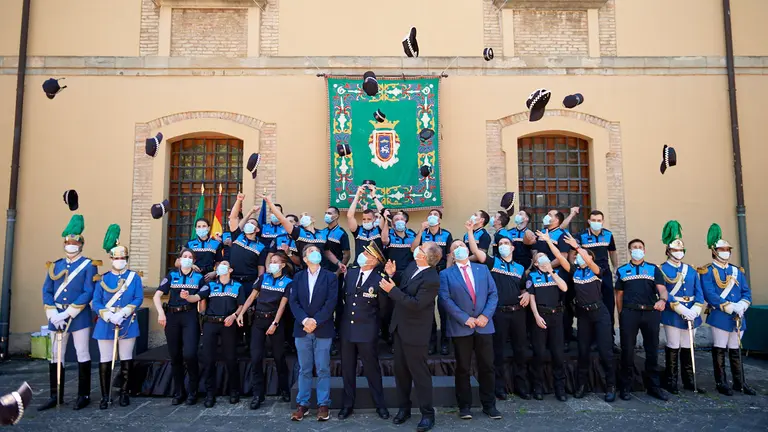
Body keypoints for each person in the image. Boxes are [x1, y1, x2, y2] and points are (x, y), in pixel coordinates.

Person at [378, 242, 442, 432]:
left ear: (425, 256)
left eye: (421, 247)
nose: (417, 247)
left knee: (419, 374)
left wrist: (392, 290)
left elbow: (415, 303)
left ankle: (427, 414)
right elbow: (406, 286)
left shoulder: (432, 278)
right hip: (400, 328)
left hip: (415, 332)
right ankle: (403, 409)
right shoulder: (414, 266)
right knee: (401, 373)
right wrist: (393, 275)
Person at [465, 221, 531, 400]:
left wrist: (527, 294)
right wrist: (470, 232)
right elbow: (477, 252)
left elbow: (524, 288)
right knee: (498, 352)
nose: (503, 246)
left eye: (506, 244)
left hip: (518, 313)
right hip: (499, 313)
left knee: (520, 350)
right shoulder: (493, 263)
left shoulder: (520, 268)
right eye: (500, 244)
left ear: (513, 248)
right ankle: (499, 387)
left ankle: (522, 386)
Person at [40, 214, 99, 411]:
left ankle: (84, 395)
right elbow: (47, 290)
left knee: (82, 352)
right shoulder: (54, 265)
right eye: (68, 242)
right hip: (56, 316)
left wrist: (68, 313)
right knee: (56, 354)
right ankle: (55, 395)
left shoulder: (88, 265)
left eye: (75, 242)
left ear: (81, 245)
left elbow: (88, 291)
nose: (71, 245)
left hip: (78, 316)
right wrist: (52, 314)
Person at [439, 238, 501, 420]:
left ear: (468, 250)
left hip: (484, 325)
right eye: (455, 248)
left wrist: (484, 316)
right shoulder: (446, 274)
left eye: (462, 246)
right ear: (451, 255)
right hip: (462, 327)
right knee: (463, 368)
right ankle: (464, 407)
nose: (459, 249)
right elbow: (445, 299)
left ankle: (489, 405)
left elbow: (493, 294)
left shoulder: (482, 269)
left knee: (487, 366)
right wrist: (465, 318)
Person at [700, 224, 755, 396]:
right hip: (720, 315)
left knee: (735, 349)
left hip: (738, 315)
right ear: (714, 251)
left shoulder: (736, 271)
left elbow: (746, 291)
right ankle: (721, 382)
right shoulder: (708, 270)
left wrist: (742, 305)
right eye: (722, 249)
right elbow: (709, 293)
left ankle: (740, 382)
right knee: (720, 348)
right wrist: (729, 306)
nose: (726, 252)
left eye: (727, 249)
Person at [560, 234, 616, 402]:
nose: (579, 258)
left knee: (605, 352)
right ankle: (581, 385)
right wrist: (549, 242)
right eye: (577, 256)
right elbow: (559, 259)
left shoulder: (597, 271)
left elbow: (590, 261)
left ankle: (611, 386)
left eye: (583, 255)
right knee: (583, 352)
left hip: (600, 314)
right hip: (583, 315)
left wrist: (578, 247)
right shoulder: (575, 272)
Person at [93, 224, 144, 409]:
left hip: (127, 321)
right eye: (117, 258)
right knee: (105, 359)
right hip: (106, 322)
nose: (120, 260)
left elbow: (138, 297)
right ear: (111, 259)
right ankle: (105, 395)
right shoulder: (103, 278)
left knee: (126, 358)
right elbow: (96, 302)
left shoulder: (134, 277)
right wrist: (108, 315)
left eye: (123, 258)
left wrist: (124, 312)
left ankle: (124, 392)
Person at [337, 242, 390, 420]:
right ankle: (347, 405)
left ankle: (380, 405)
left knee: (372, 368)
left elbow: (383, 308)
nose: (363, 256)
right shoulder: (350, 274)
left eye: (367, 254)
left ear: (374, 260)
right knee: (347, 369)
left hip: (367, 330)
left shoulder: (379, 278)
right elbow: (345, 299)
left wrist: (373, 325)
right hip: (347, 329)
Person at [237, 252, 294, 409]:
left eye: (275, 261)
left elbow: (283, 305)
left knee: (279, 357)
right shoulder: (263, 278)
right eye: (271, 261)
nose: (272, 264)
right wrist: (241, 313)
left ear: (282, 265)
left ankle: (284, 389)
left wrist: (275, 323)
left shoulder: (288, 282)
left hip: (275, 321)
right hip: (258, 321)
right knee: (255, 358)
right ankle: (258, 394)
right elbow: (251, 297)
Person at [615, 239, 668, 401]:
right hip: (630, 313)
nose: (637, 250)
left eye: (640, 247)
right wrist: (621, 314)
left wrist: (663, 300)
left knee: (652, 350)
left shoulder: (653, 269)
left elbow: (663, 290)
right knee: (627, 351)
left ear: (644, 250)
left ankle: (653, 386)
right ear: (630, 251)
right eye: (634, 248)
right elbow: (619, 295)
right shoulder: (623, 270)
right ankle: (626, 387)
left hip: (650, 313)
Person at [289, 245, 338, 422]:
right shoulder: (298, 277)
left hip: (323, 328)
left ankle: (323, 404)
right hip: (302, 329)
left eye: (316, 250)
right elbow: (293, 303)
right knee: (304, 369)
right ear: (304, 258)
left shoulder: (330, 277)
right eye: (310, 251)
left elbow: (331, 302)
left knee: (323, 368)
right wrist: (305, 321)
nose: (314, 253)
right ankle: (303, 404)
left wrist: (315, 321)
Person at [658, 221, 706, 395]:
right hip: (673, 313)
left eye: (681, 250)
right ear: (668, 251)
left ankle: (689, 380)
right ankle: (671, 381)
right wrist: (680, 309)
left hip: (692, 312)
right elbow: (664, 291)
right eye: (675, 250)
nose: (679, 253)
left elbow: (698, 291)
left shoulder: (691, 270)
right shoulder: (662, 269)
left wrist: (696, 309)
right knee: (673, 345)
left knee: (688, 346)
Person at [153, 248, 205, 406]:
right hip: (172, 317)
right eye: (185, 256)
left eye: (190, 257)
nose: (187, 259)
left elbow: (200, 297)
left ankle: (193, 391)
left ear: (193, 261)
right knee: (175, 356)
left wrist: (188, 297)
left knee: (190, 354)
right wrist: (161, 313)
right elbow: (156, 295)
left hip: (189, 316)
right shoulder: (172, 275)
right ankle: (178, 391)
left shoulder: (198, 278)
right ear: (180, 259)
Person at [527, 234, 569, 402]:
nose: (543, 259)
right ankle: (538, 387)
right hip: (540, 317)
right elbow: (531, 298)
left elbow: (564, 288)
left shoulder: (556, 273)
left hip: (557, 316)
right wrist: (536, 316)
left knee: (558, 354)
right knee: (539, 353)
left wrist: (552, 272)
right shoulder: (532, 277)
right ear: (536, 263)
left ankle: (560, 388)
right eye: (540, 258)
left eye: (544, 256)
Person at [198, 260, 246, 408]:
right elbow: (200, 301)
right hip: (210, 323)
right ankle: (209, 393)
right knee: (208, 359)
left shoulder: (237, 285)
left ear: (230, 269)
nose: (221, 267)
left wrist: (234, 316)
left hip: (228, 323)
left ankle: (234, 391)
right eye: (219, 265)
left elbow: (241, 304)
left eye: (224, 264)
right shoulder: (210, 285)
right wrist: (192, 298)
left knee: (231, 358)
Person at [411, 209, 452, 355]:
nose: (432, 217)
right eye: (430, 214)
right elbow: (413, 249)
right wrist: (421, 230)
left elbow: (449, 256)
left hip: (441, 272)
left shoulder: (446, 234)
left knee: (443, 307)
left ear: (440, 219)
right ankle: (431, 341)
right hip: (426, 272)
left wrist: (447, 273)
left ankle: (445, 342)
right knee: (428, 306)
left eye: (436, 215)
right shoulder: (423, 233)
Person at [575, 210, 619, 350]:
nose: (596, 222)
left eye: (599, 220)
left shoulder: (608, 234)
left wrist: (615, 268)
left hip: (605, 273)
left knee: (608, 305)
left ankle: (610, 340)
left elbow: (612, 252)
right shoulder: (581, 236)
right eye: (593, 220)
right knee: (592, 305)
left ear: (603, 221)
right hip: (588, 275)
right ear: (588, 221)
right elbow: (575, 253)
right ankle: (593, 340)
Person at [380, 209, 416, 347]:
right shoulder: (388, 233)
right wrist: (386, 223)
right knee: (389, 308)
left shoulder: (412, 234)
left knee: (405, 305)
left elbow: (415, 249)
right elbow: (384, 240)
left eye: (401, 219)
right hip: (391, 275)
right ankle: (389, 337)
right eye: (396, 220)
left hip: (407, 276)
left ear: (406, 221)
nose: (399, 221)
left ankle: (405, 337)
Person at [259, 202, 288, 274]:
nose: (275, 213)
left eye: (277, 211)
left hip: (282, 264)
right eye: (272, 211)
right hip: (264, 262)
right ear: (269, 213)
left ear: (281, 213)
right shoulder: (263, 228)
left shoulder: (287, 228)